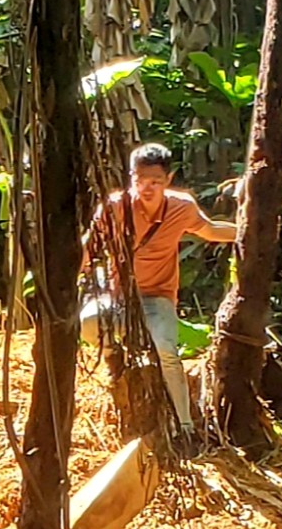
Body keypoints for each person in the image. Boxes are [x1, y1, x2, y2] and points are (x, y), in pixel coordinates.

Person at [86, 141, 236, 432]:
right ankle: (113, 358)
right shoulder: (116, 207)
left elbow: (210, 230)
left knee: (166, 350)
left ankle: (186, 425)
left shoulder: (181, 207)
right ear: (131, 177)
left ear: (168, 180)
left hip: (158, 297)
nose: (146, 187)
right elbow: (88, 247)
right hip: (120, 297)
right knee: (88, 322)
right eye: (139, 180)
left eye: (154, 181)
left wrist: (248, 231)